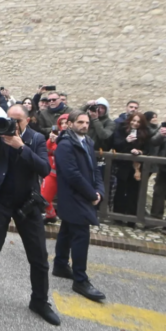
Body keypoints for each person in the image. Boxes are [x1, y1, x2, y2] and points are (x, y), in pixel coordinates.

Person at [0, 104, 58, 324]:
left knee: (39, 256)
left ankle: (39, 300)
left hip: (28, 203)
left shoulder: (35, 139)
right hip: (1, 201)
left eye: (17, 120)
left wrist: (21, 147)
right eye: (9, 119)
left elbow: (45, 169)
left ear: (28, 121)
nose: (13, 124)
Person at [52, 112, 106, 302]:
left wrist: (99, 191)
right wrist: (91, 195)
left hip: (85, 194)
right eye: (80, 122)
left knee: (67, 229)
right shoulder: (65, 145)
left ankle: (59, 264)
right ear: (70, 124)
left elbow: (95, 169)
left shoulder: (88, 142)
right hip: (74, 197)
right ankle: (80, 280)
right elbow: (72, 175)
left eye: (87, 122)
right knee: (81, 235)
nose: (84, 125)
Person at [111, 112, 151, 219]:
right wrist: (126, 141)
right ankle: (118, 215)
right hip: (123, 164)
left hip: (137, 166)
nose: (135, 123)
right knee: (120, 191)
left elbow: (147, 149)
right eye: (134, 121)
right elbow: (116, 146)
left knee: (134, 192)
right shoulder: (121, 129)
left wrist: (139, 152)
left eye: (138, 122)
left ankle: (131, 217)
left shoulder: (146, 132)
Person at [41, 113, 70, 223]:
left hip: (65, 175)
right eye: (61, 123)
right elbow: (47, 151)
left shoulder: (71, 136)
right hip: (52, 173)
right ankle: (50, 214)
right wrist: (50, 140)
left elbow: (62, 152)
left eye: (65, 123)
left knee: (66, 200)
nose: (63, 125)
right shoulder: (57, 135)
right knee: (44, 196)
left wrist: (56, 142)